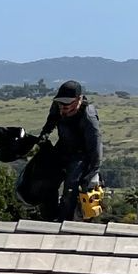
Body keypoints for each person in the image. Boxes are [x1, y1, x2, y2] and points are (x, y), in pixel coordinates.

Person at [32, 80, 102, 220]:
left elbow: (96, 149)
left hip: (81, 154)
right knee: (46, 178)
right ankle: (48, 216)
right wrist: (44, 136)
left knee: (71, 185)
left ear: (79, 100)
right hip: (63, 146)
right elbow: (51, 121)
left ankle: (65, 220)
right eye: (61, 103)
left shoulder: (88, 118)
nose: (63, 107)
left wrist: (91, 174)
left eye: (68, 103)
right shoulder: (58, 106)